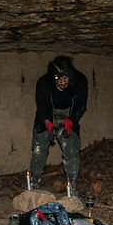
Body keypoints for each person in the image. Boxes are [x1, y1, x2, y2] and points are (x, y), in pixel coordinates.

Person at [29, 55, 88, 195]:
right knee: (39, 151)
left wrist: (71, 121)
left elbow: (81, 105)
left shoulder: (80, 82)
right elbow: (41, 106)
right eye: (59, 79)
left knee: (72, 150)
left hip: (68, 117)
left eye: (66, 78)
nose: (63, 82)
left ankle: (72, 188)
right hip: (47, 118)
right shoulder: (43, 83)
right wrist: (47, 123)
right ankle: (33, 185)